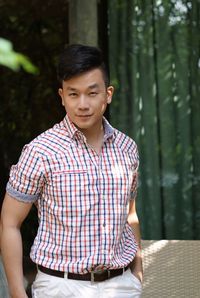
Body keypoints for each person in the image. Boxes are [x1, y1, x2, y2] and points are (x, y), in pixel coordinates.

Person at [1, 44, 143, 298]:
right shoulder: (40, 151)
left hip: (121, 285)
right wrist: (16, 291)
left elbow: (130, 215)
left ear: (108, 94)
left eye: (92, 93)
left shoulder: (127, 148)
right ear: (62, 96)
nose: (83, 104)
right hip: (59, 286)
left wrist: (138, 273)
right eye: (73, 94)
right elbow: (10, 222)